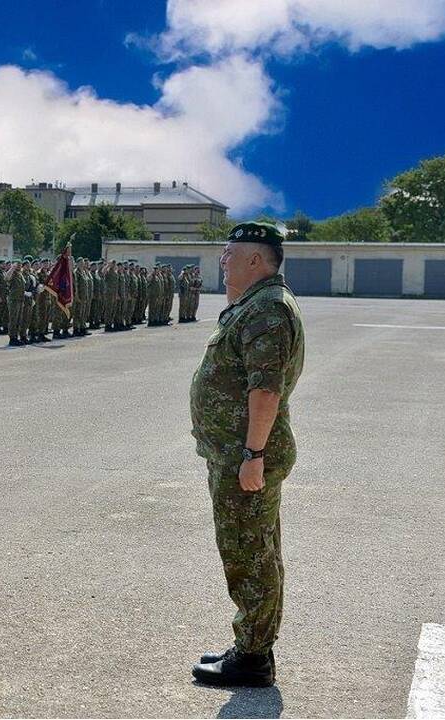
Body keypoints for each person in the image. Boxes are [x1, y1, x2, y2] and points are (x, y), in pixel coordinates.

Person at [190, 221, 305, 688]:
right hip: (239, 452)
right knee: (253, 549)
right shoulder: (256, 304)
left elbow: (265, 389)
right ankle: (252, 645)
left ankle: (253, 657)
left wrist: (253, 453)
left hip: (246, 455)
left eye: (229, 252)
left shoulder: (268, 311)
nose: (222, 259)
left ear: (255, 259)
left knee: (249, 553)